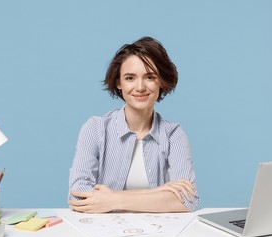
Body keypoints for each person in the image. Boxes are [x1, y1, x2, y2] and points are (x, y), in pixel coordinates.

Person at [68, 36, 200, 213]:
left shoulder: (173, 135)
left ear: (161, 81)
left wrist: (113, 200)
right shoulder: (95, 128)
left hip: (158, 235)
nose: (140, 87)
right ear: (118, 82)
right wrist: (160, 193)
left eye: (150, 77)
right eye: (130, 78)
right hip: (103, 235)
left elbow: (186, 200)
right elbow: (77, 196)